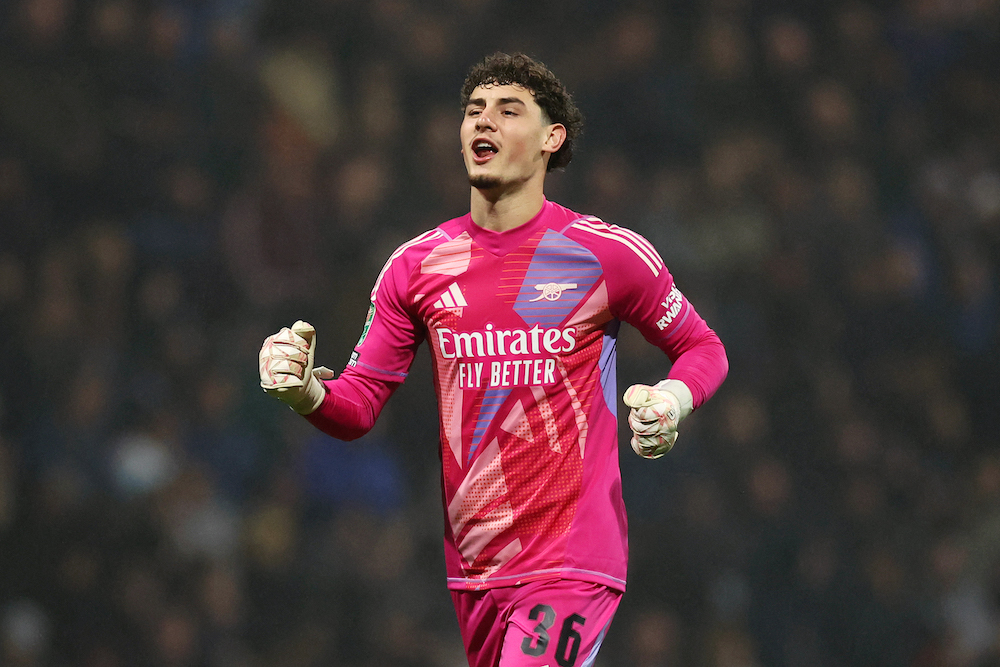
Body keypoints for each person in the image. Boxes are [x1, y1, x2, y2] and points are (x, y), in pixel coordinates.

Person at [258, 52, 728, 667]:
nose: (485, 122)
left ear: (550, 139)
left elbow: (702, 346)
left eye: (509, 111)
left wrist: (671, 399)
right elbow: (360, 404)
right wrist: (304, 393)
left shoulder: (606, 255)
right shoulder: (416, 268)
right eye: (474, 111)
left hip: (571, 562)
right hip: (473, 571)